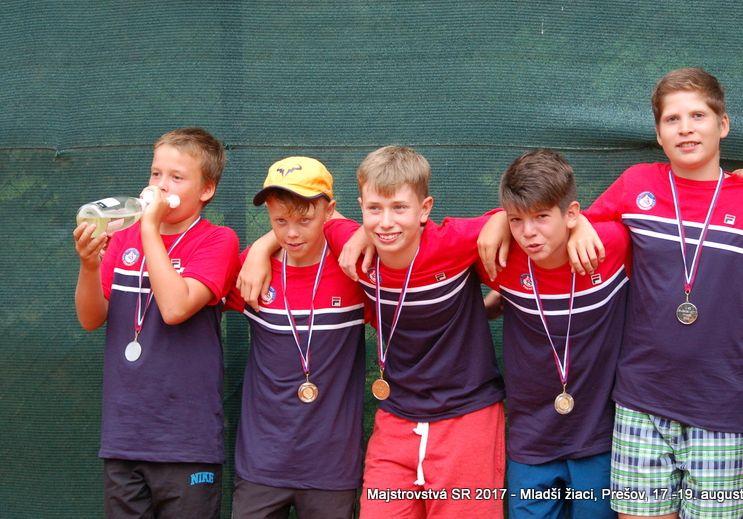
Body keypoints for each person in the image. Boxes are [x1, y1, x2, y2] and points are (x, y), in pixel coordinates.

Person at [570, 68, 743, 519]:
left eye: (698, 115)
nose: (686, 128)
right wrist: (575, 226)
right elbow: (578, 225)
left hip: (723, 411)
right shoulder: (636, 184)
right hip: (640, 404)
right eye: (672, 119)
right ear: (658, 134)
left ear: (722, 124)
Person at [237, 146, 507, 519]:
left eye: (399, 208)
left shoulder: (454, 240)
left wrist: (501, 218)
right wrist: (260, 248)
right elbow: (311, 218)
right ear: (361, 207)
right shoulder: (350, 243)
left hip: (467, 417)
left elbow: (518, 218)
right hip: (396, 417)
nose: (386, 222)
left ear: (425, 209)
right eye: (375, 209)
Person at [73, 127, 240, 519]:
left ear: (206, 190)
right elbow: (90, 318)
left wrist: (149, 227)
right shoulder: (122, 239)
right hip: (124, 438)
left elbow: (175, 308)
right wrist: (89, 264)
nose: (161, 186)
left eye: (176, 177)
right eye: (155, 174)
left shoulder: (218, 240)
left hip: (187, 442)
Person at [477, 149, 631, 518]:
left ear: (571, 213)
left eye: (542, 217)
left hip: (599, 440)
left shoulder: (611, 245)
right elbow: (425, 235)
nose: (529, 232)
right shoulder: (499, 253)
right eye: (517, 220)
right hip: (530, 442)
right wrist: (498, 219)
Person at [225, 157, 369, 519]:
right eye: (280, 221)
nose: (291, 233)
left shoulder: (353, 268)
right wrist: (260, 250)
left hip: (332, 469)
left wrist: (264, 244)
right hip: (260, 464)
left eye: (305, 220)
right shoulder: (252, 269)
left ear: (329, 212)